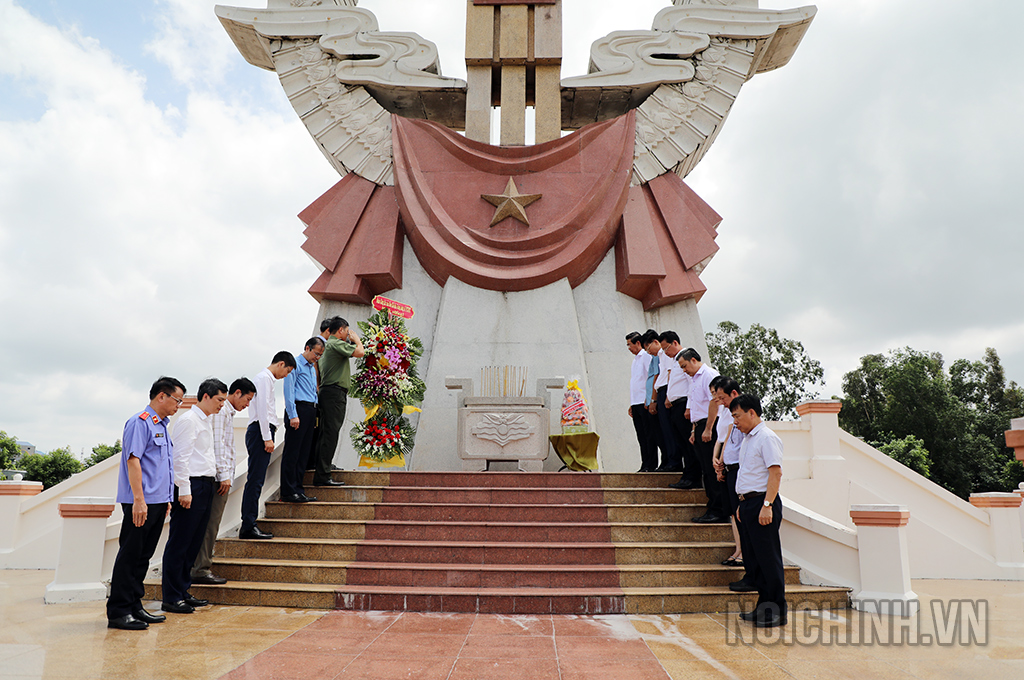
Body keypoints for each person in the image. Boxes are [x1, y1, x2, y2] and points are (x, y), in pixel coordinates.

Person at [106, 377, 185, 630]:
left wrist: (166, 499)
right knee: (130, 555)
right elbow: (133, 461)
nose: (178, 406)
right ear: (161, 396)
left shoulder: (161, 425)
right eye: (177, 400)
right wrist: (139, 500)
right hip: (141, 502)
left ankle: (134, 605)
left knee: (143, 557)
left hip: (158, 501)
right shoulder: (139, 423)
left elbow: (163, 467)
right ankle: (118, 611)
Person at [160, 378, 228, 614]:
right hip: (192, 486)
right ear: (206, 396)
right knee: (180, 541)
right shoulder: (189, 420)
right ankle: (171, 597)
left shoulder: (206, 420)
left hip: (206, 484)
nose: (222, 405)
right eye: (220, 400)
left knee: (194, 542)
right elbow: (180, 458)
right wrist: (185, 490)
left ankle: (182, 591)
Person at [190, 377, 256, 586]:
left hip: (219, 475)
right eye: (247, 398)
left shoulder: (226, 412)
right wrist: (224, 475)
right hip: (218, 478)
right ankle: (200, 568)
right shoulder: (221, 413)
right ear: (236, 393)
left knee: (211, 524)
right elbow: (218, 445)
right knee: (210, 525)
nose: (248, 404)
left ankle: (200, 566)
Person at [730, 393, 787, 627]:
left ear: (752, 412)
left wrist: (767, 505)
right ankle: (764, 607)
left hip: (763, 503)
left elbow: (775, 473)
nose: (735, 421)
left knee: (768, 558)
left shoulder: (766, 438)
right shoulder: (748, 439)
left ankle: (777, 610)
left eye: (737, 415)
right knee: (755, 560)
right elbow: (748, 474)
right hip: (749, 504)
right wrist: (741, 504)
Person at [239, 352, 296, 539]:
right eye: (287, 371)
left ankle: (249, 523)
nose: (285, 376)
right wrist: (266, 437)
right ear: (281, 364)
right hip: (259, 431)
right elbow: (263, 410)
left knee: (258, 480)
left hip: (261, 431)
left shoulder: (267, 380)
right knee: (255, 480)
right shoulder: (264, 379)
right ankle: (248, 525)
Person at [709, 376, 756, 592]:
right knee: (734, 514)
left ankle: (747, 562)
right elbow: (725, 439)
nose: (720, 402)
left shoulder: (746, 421)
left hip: (741, 473)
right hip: (729, 469)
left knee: (742, 516)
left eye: (722, 398)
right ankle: (740, 552)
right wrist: (718, 461)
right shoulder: (727, 416)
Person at [678, 348, 727, 523]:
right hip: (699, 426)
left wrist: (708, 428)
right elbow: (697, 406)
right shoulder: (694, 378)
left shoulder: (708, 375)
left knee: (711, 469)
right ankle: (712, 507)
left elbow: (715, 404)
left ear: (693, 360)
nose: (684, 370)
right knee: (705, 469)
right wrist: (694, 430)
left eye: (684, 366)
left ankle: (718, 510)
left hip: (709, 425)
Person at [314, 317, 364, 486]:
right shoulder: (335, 343)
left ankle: (322, 470)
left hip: (329, 393)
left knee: (327, 432)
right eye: (347, 330)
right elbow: (360, 352)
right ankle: (323, 475)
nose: (348, 334)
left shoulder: (329, 345)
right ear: (341, 330)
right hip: (334, 394)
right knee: (330, 433)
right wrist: (356, 340)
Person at [281, 337, 325, 502]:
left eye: (320, 355)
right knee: (293, 452)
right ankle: (288, 491)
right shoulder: (295, 364)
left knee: (304, 453)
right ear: (307, 348)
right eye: (316, 353)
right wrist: (293, 414)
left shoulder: (312, 368)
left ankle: (298, 489)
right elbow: (289, 390)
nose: (317, 358)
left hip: (310, 410)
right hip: (298, 409)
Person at [652, 332, 683, 473]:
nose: (664, 351)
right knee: (666, 430)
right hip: (665, 392)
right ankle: (671, 461)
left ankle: (674, 461)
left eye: (665, 348)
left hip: (670, 393)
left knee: (671, 431)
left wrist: (668, 396)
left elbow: (670, 374)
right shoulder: (664, 355)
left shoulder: (674, 356)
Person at [626, 332, 657, 472]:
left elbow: (650, 378)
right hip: (636, 402)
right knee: (641, 436)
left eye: (629, 344)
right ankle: (644, 463)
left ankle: (651, 464)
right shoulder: (635, 360)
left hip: (644, 402)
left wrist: (649, 399)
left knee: (649, 434)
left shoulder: (645, 356)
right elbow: (636, 382)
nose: (628, 348)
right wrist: (632, 403)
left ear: (638, 343)